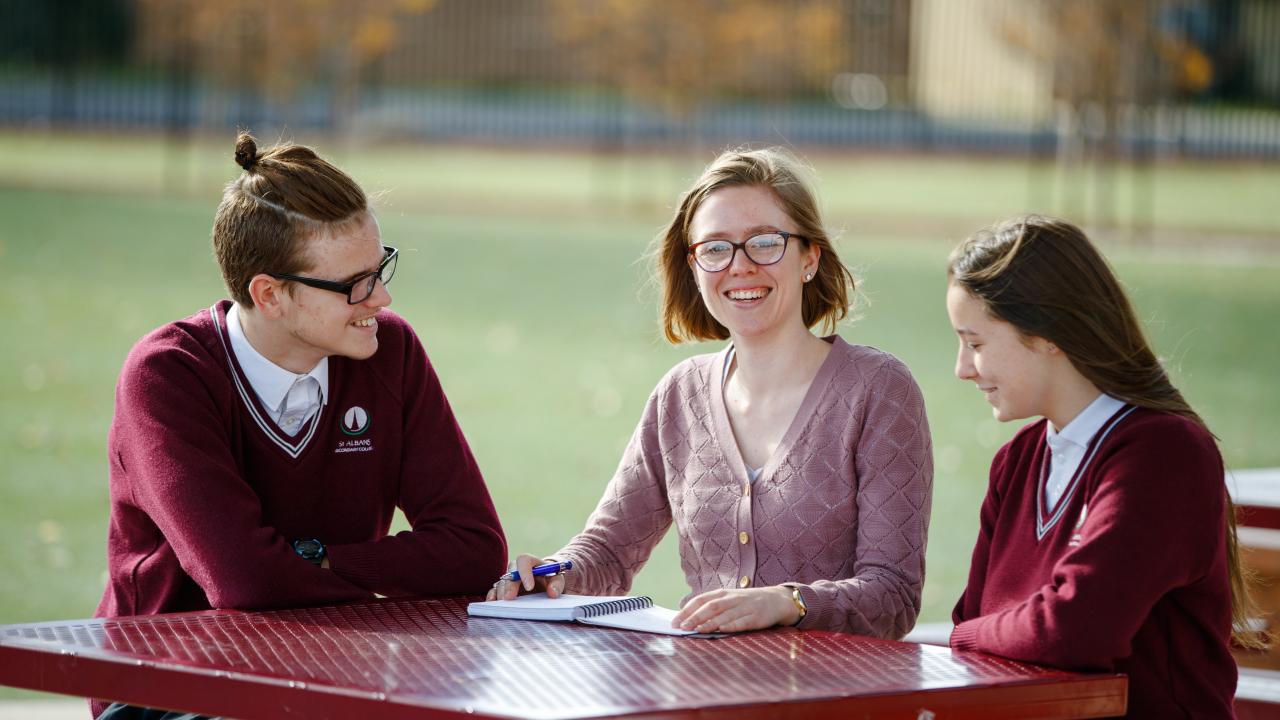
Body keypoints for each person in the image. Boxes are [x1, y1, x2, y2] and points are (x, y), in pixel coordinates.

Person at [93, 133, 507, 719]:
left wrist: (319, 558)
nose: (381, 298)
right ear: (270, 295)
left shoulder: (392, 353)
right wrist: (388, 571)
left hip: (335, 676)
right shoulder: (168, 375)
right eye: (353, 285)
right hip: (171, 687)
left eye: (380, 267)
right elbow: (245, 583)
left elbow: (475, 549)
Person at [489, 147, 933, 637]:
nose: (739, 266)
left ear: (810, 257)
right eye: (716, 248)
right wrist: (551, 575)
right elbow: (610, 551)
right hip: (700, 693)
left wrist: (787, 602)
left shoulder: (878, 390)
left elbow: (892, 596)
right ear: (695, 267)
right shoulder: (680, 394)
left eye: (765, 242)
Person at [944, 215, 1262, 717]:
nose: (962, 368)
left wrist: (971, 635)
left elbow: (1074, 631)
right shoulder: (1017, 460)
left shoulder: (1165, 454)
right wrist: (978, 632)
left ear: (1048, 334)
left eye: (976, 343)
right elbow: (977, 623)